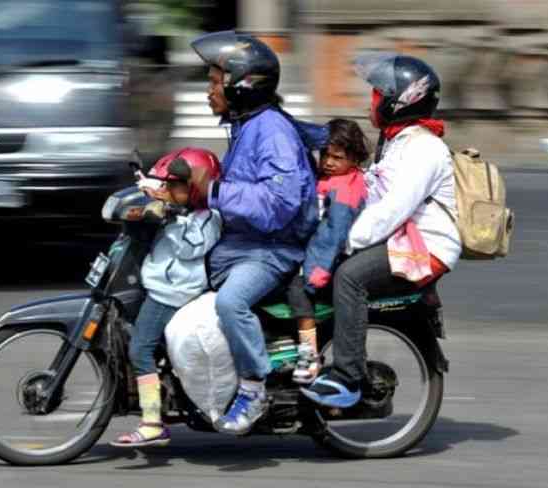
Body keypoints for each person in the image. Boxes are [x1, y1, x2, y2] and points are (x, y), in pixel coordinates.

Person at [302, 53, 461, 408]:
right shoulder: (397, 142)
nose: (372, 101)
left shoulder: (424, 149)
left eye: (377, 94)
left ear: (401, 100)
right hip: (401, 239)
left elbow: (393, 209)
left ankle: (348, 377)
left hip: (427, 246)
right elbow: (369, 194)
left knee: (349, 277)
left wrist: (344, 242)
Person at [184, 31, 320, 435]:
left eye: (214, 82)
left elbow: (278, 204)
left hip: (272, 250)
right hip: (245, 244)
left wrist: (212, 192)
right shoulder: (246, 126)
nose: (209, 91)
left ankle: (253, 387)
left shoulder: (271, 130)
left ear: (241, 85)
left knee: (230, 303)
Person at [111, 148, 222, 448]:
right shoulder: (182, 208)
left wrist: (170, 214)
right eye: (167, 185)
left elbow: (191, 248)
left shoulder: (208, 218)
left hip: (171, 293)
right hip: (158, 285)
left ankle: (151, 423)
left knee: (139, 350)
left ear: (197, 188)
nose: (168, 191)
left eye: (176, 186)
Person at [286, 118, 370, 385]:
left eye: (337, 157)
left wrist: (319, 270)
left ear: (354, 159)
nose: (329, 162)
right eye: (325, 155)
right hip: (315, 252)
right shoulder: (329, 179)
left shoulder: (346, 188)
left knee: (297, 290)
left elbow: (334, 235)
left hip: (329, 261)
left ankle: (308, 354)